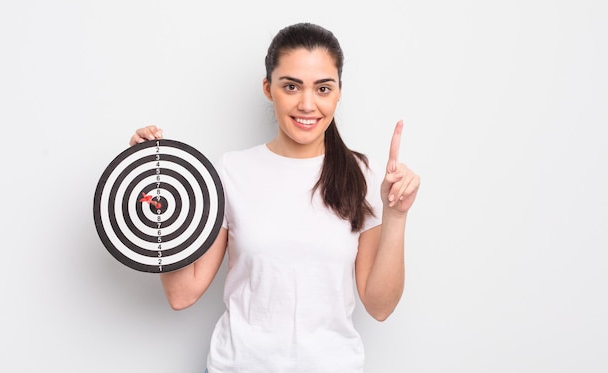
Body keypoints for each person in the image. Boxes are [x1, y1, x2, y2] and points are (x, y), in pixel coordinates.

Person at [130, 22, 419, 373]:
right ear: (269, 89)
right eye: (291, 86)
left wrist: (397, 216)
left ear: (339, 92)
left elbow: (380, 306)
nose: (307, 104)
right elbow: (182, 294)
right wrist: (151, 179)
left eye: (323, 88)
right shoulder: (230, 171)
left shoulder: (365, 175)